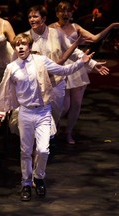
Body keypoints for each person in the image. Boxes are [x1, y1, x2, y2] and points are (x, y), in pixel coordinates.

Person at [0, 33, 95, 202]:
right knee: (25, 151)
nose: (21, 47)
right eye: (18, 45)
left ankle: (38, 177)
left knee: (43, 149)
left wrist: (81, 63)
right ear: (15, 48)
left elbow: (63, 70)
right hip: (25, 112)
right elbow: (5, 91)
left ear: (30, 47)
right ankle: (25, 183)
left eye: (24, 44)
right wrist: (3, 111)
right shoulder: (12, 67)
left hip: (43, 112)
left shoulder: (41, 61)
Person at [24, 5, 109, 142]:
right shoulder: (26, 37)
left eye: (35, 16)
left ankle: (53, 137)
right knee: (39, 115)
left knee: (57, 113)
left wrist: (92, 64)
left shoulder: (56, 33)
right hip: (36, 83)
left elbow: (74, 52)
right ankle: (41, 144)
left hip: (56, 82)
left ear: (44, 18)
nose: (32, 19)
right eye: (30, 17)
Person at [49, 1, 119, 144]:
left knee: (76, 103)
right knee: (63, 106)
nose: (65, 13)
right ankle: (53, 128)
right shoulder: (51, 28)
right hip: (60, 67)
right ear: (57, 13)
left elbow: (95, 38)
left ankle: (68, 133)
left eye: (68, 11)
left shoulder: (76, 27)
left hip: (77, 66)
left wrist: (111, 26)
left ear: (72, 13)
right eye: (62, 11)